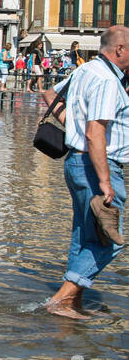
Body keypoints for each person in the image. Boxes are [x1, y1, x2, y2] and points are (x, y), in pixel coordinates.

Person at [42, 26, 129, 318]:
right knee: (111, 240)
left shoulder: (85, 69)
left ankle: (73, 303)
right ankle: (60, 300)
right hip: (96, 166)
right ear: (119, 50)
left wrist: (72, 129)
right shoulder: (106, 80)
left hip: (76, 163)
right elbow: (95, 133)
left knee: (84, 236)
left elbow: (49, 94)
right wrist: (105, 181)